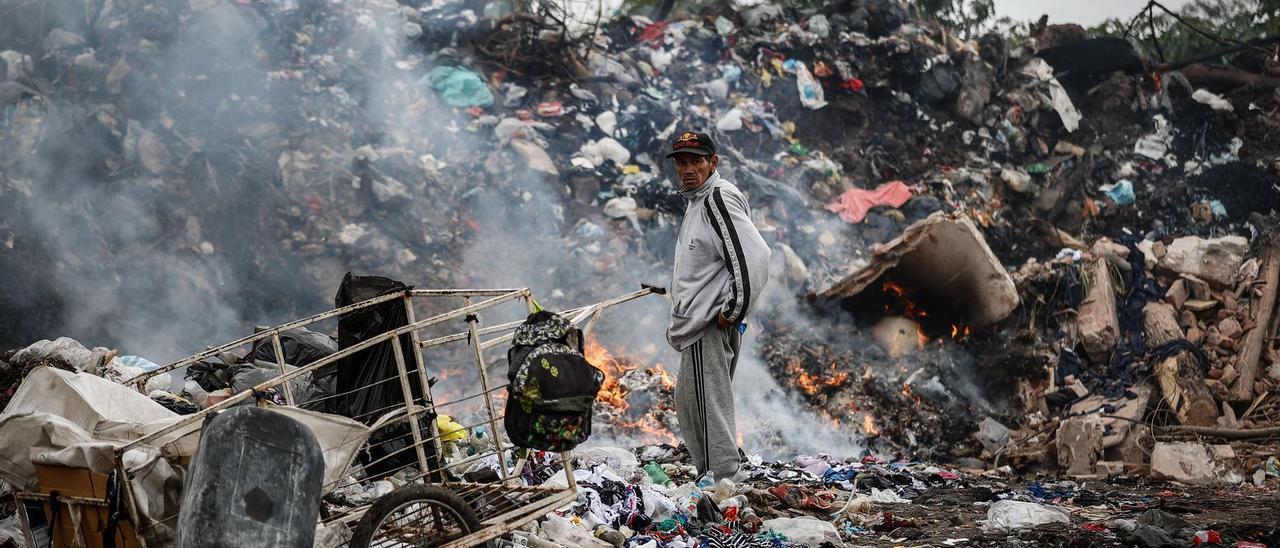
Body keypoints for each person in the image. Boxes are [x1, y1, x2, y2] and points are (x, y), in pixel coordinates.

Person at [664, 131, 771, 480]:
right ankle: (711, 474)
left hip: (707, 323)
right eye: (682, 162)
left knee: (708, 406)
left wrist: (735, 309)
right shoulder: (698, 202)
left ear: (714, 163)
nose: (688, 168)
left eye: (696, 160)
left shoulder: (717, 198)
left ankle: (723, 478)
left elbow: (754, 256)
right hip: (695, 324)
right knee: (690, 404)